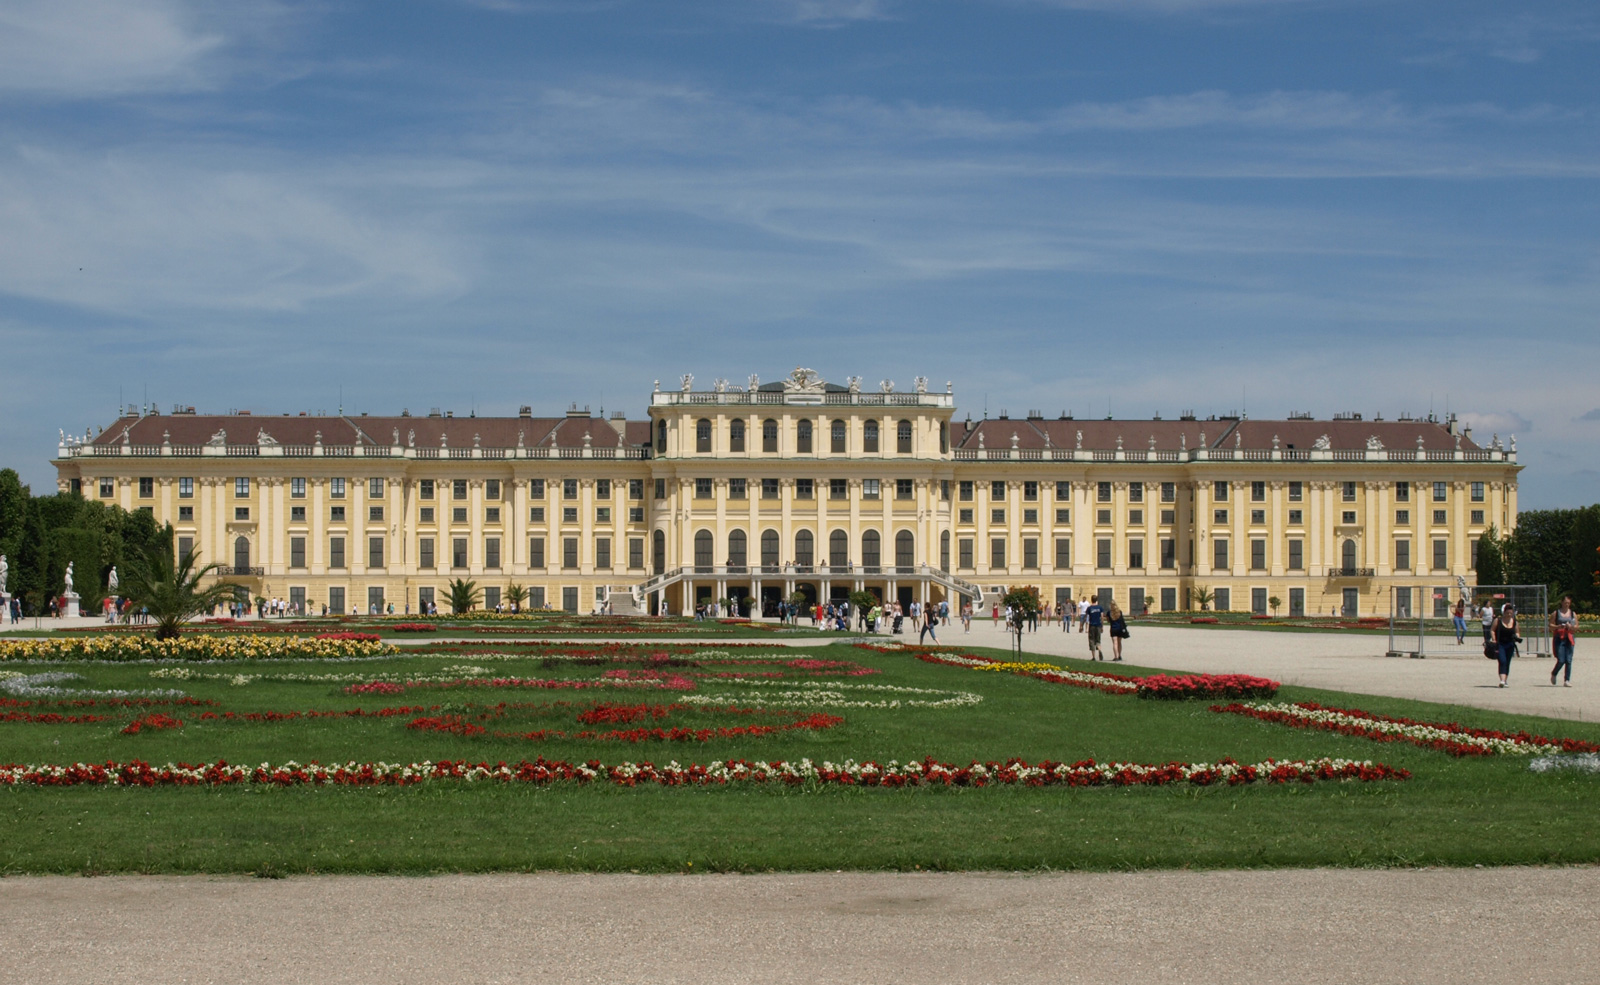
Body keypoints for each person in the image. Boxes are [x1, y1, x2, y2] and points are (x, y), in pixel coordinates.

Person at [1551, 596, 1577, 687]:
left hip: (1569, 637)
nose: (1567, 604)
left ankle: (1567, 680)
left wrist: (1571, 627)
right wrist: (1558, 626)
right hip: (1559, 637)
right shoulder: (1556, 613)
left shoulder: (1573, 614)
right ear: (1562, 602)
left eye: (1568, 603)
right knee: (1561, 660)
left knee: (1569, 660)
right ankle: (1554, 673)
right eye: (1565, 603)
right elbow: (1550, 625)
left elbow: (1576, 626)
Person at [1493, 603, 1521, 688]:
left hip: (1510, 644)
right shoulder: (1498, 620)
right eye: (1507, 613)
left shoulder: (1515, 622)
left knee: (1507, 662)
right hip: (1500, 644)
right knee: (1502, 661)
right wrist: (1494, 639)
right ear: (1504, 612)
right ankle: (1502, 680)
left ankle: (1505, 680)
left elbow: (1517, 632)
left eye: (1511, 613)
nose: (1509, 614)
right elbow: (1492, 630)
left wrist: (1517, 637)